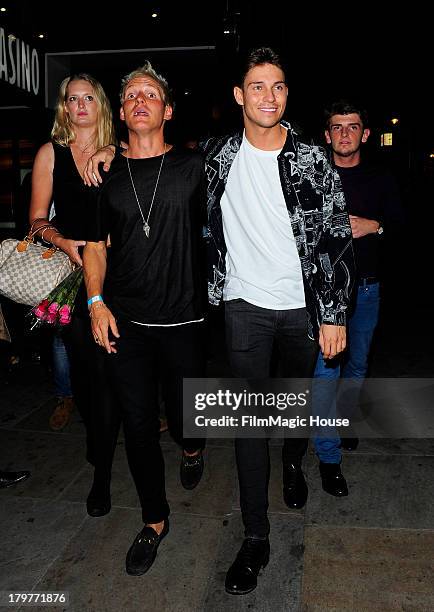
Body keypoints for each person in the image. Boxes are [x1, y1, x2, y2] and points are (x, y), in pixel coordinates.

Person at [84, 47, 355, 595]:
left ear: (286, 95)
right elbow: (149, 152)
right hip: (243, 308)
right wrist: (110, 146)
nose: (268, 96)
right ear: (239, 96)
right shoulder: (215, 158)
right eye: (257, 86)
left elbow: (334, 237)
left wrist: (332, 312)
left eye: (277, 86)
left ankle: (296, 460)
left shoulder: (312, 159)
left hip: (302, 307)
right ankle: (256, 537)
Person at [82, 61, 206, 576]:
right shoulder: (106, 175)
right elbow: (95, 247)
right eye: (130, 94)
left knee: (183, 420)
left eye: (150, 94)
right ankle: (155, 518)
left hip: (184, 322)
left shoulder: (196, 167)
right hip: (125, 324)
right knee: (137, 426)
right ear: (123, 110)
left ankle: (194, 448)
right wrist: (95, 302)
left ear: (168, 110)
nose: (139, 101)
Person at [28, 74, 120, 515]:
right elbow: (36, 222)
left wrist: (110, 151)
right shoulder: (51, 153)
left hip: (120, 278)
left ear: (100, 105)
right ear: (64, 108)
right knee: (85, 380)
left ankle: (101, 473)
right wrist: (63, 243)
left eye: (88, 98)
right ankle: (97, 439)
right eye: (72, 99)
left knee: (107, 376)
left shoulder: (119, 153)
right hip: (72, 276)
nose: (80, 105)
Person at [312, 100, 404, 492]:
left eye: (352, 127)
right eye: (337, 127)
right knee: (325, 373)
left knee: (357, 366)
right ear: (327, 134)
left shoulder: (381, 179)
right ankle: (329, 457)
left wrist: (375, 226)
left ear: (365, 134)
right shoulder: (313, 176)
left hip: (367, 288)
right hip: (323, 293)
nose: (345, 133)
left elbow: (403, 227)